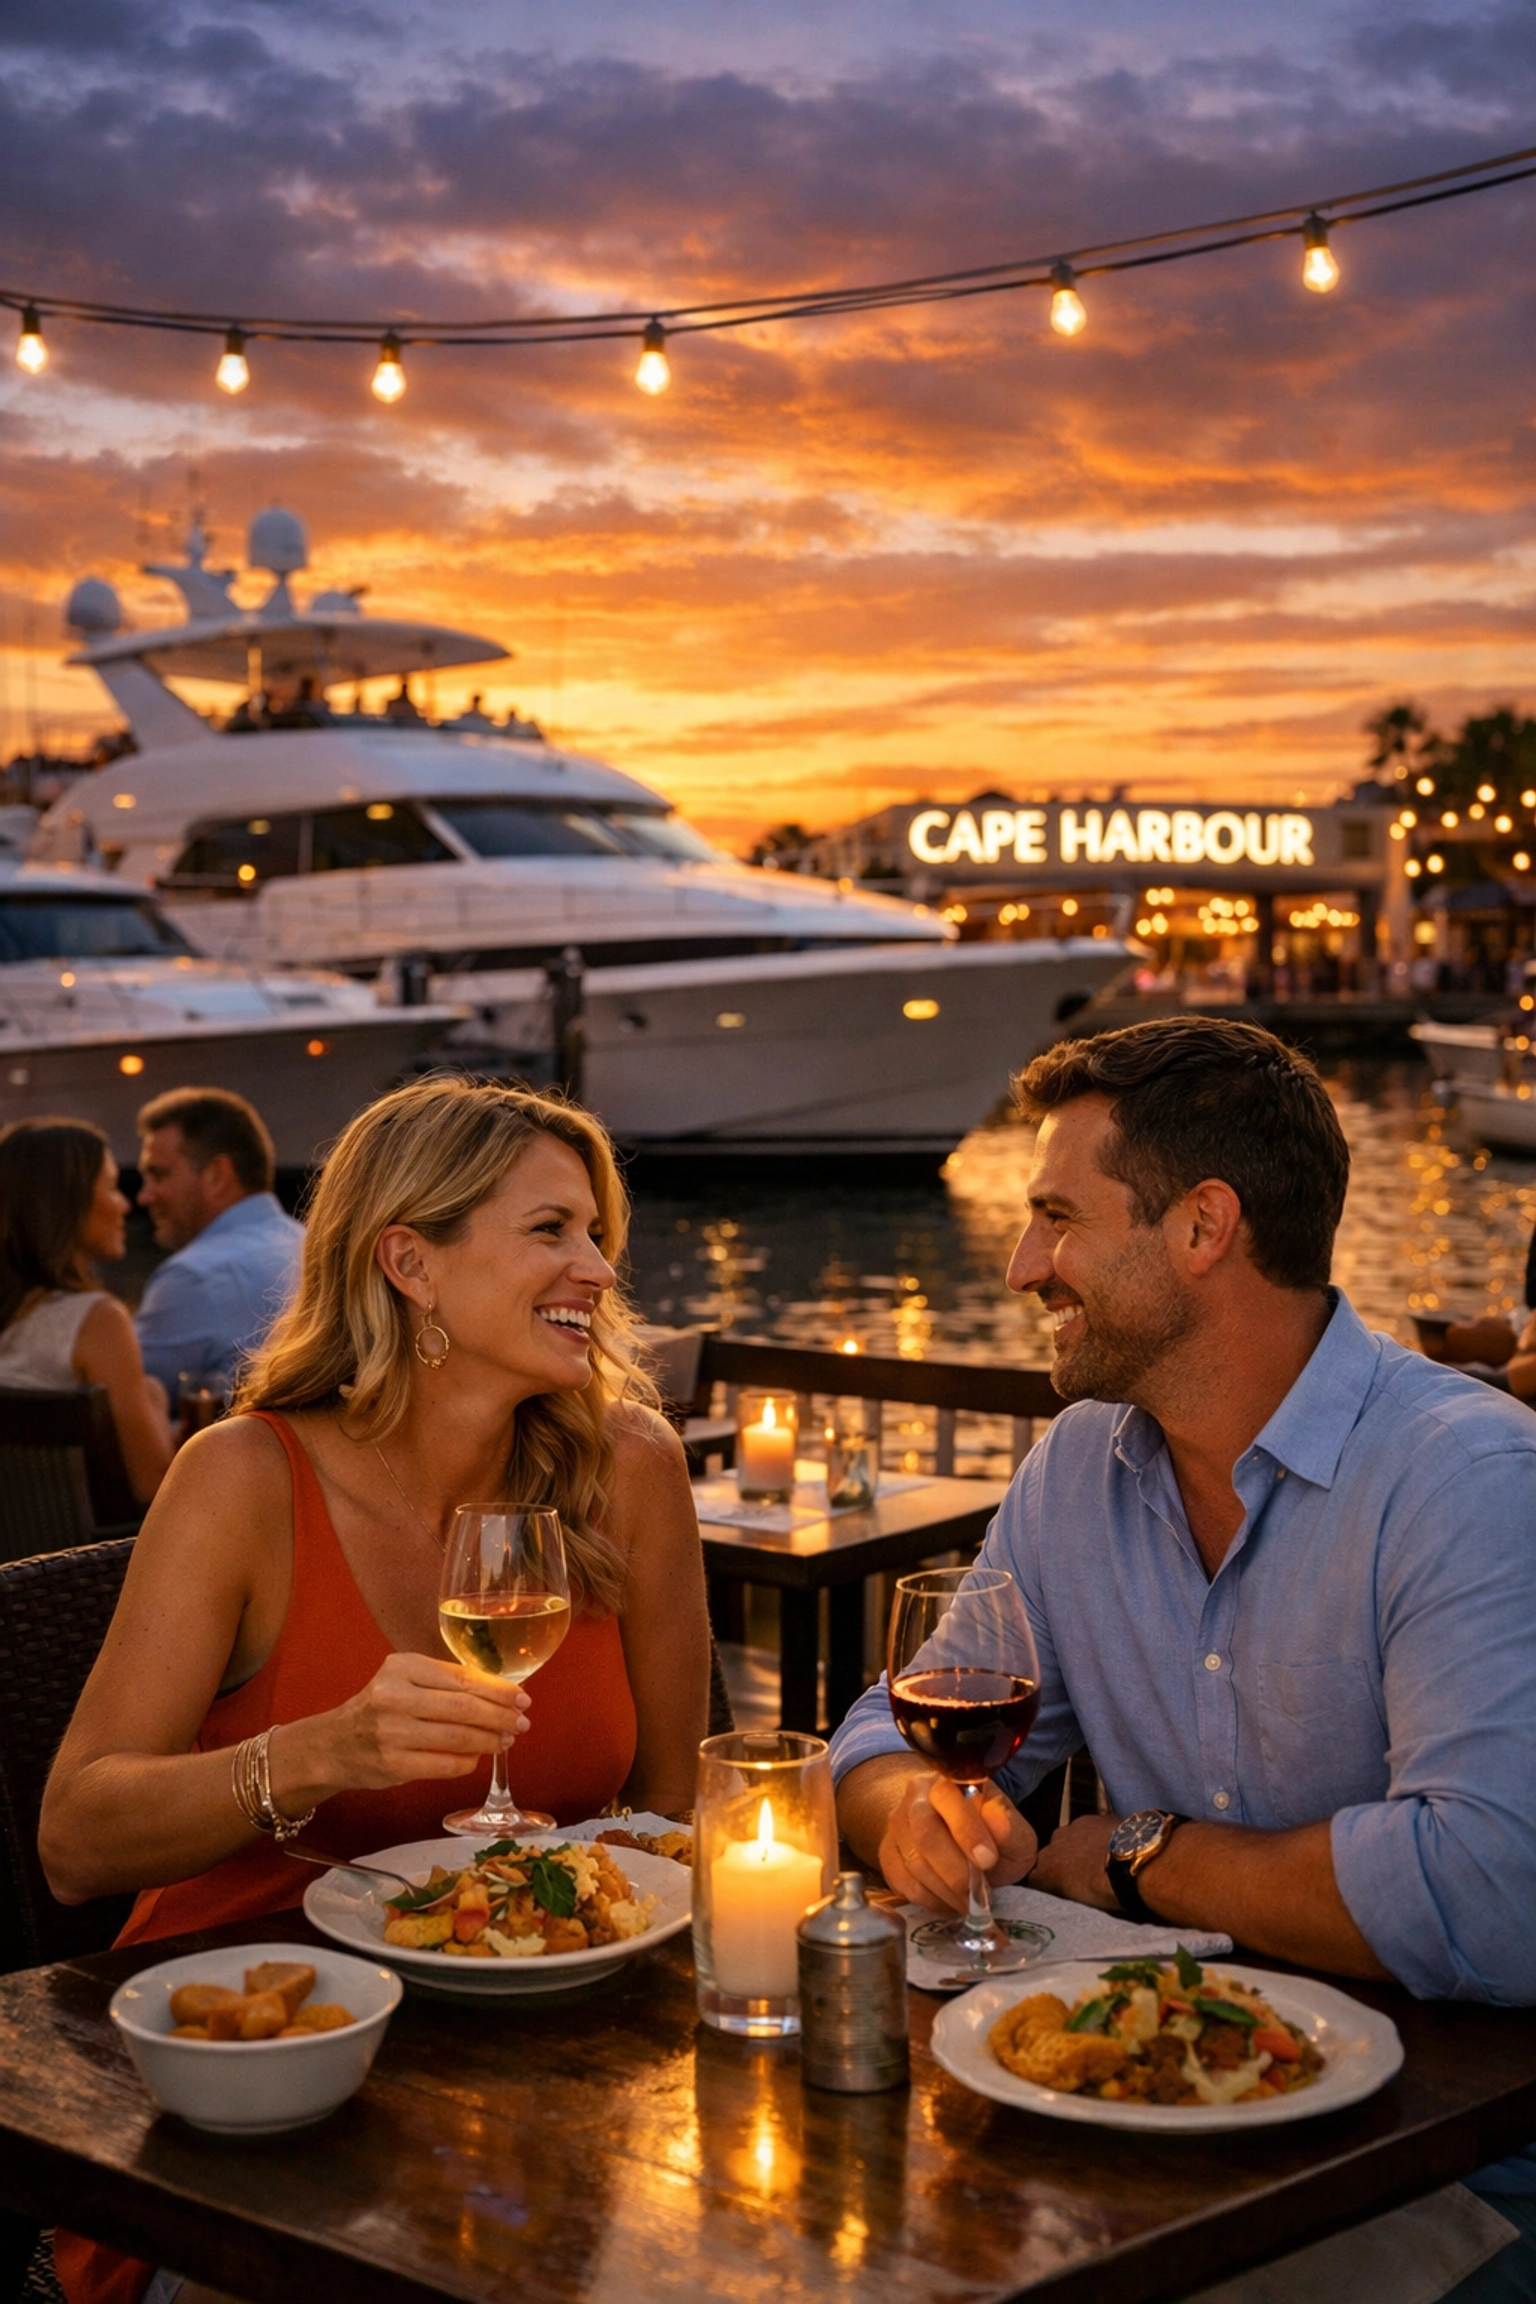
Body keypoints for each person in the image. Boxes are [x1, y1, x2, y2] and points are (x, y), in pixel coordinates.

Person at [832, 1016, 1536, 2303]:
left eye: (1057, 1215)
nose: (1022, 1265)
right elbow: (887, 1727)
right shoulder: (1078, 1466)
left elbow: (1495, 1889)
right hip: (1144, 2117)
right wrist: (913, 1821)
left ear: (1203, 1229)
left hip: (1448, 2163)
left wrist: (1139, 1856)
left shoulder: (1468, 1476)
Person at [43, 1076, 710, 2304]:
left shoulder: (630, 1467)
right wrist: (311, 1755)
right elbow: (76, 1840)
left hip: (534, 2071)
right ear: (410, 1259)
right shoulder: (242, 1478)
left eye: (599, 1236)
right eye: (551, 1232)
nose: (600, 1273)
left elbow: (675, 1809)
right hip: (261, 2085)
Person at [0, 1118, 172, 1502]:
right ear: (68, 1204)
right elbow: (155, 1486)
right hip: (89, 1559)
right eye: (112, 1187)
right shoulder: (95, 1322)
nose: (125, 1205)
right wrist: (155, 1403)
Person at [133, 1088, 304, 1402]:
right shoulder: (311, 1244)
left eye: (159, 1175)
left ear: (216, 1175)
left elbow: (122, 1407)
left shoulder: (193, 1278)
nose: (144, 1196)